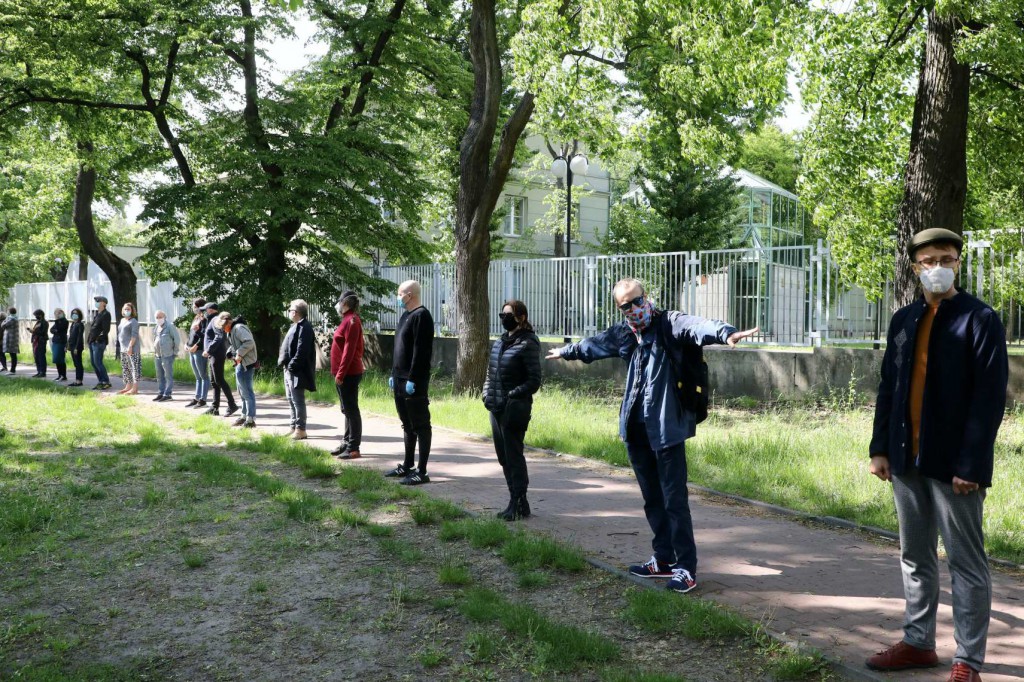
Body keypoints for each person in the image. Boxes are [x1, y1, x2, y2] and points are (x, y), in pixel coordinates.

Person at [548, 278, 756, 593]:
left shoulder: (669, 324)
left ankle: (686, 568)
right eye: (626, 306)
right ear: (620, 309)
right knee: (652, 499)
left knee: (675, 501)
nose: (633, 309)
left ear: (646, 298)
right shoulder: (624, 333)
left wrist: (726, 332)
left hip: (666, 430)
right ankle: (663, 559)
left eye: (637, 301)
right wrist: (567, 351)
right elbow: (596, 344)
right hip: (635, 430)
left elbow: (697, 327)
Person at [865, 229, 1007, 682]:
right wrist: (880, 448)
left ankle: (968, 660)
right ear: (916, 268)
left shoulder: (979, 319)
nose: (938, 267)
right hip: (905, 458)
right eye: (929, 260)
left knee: (966, 562)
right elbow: (889, 387)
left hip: (954, 465)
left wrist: (972, 465)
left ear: (958, 264)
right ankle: (918, 642)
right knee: (915, 555)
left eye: (947, 258)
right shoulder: (903, 319)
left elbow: (989, 399)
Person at [483, 299, 542, 521]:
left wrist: (512, 395)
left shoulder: (528, 343)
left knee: (514, 456)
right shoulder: (500, 342)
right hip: (495, 406)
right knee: (503, 457)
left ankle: (518, 500)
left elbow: (534, 380)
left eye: (509, 315)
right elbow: (490, 372)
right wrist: (486, 393)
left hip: (515, 408)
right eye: (502, 315)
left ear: (521, 317)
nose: (504, 319)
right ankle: (516, 502)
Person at [385, 280, 435, 485]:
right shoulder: (405, 315)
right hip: (399, 379)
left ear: (410, 294)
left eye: (400, 294)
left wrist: (413, 378)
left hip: (413, 381)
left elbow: (421, 352)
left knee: (420, 425)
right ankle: (407, 465)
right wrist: (393, 374)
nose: (398, 297)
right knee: (407, 424)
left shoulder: (422, 316)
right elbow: (400, 348)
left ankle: (422, 471)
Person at [330, 291, 365, 459]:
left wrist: (341, 373)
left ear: (345, 303)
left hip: (348, 374)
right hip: (343, 373)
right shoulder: (347, 320)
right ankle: (346, 442)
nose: (337, 305)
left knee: (352, 410)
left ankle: (353, 448)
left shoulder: (352, 321)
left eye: (339, 301)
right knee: (347, 410)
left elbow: (349, 350)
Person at [278, 299, 316, 440]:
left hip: (297, 371)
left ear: (295, 312)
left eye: (290, 310)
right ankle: (293, 427)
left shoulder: (305, 327)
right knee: (290, 399)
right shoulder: (296, 325)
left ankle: (301, 429)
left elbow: (302, 350)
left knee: (297, 400)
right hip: (289, 369)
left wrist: (292, 366)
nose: (289, 312)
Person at [202, 308, 239, 417]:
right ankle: (215, 407)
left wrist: (208, 350)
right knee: (214, 382)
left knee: (219, 380)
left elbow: (219, 337)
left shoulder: (216, 321)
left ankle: (232, 404)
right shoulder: (215, 321)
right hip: (214, 354)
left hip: (216, 354)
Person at [227, 315, 258, 428]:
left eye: (223, 326)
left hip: (246, 364)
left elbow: (249, 342)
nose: (222, 329)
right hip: (240, 363)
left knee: (247, 392)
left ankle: (250, 420)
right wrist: (230, 352)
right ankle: (244, 416)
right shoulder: (231, 330)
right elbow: (235, 345)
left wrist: (239, 354)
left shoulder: (238, 328)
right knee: (242, 392)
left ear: (228, 322)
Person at [185, 297, 210, 408]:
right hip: (191, 350)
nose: (193, 308)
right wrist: (187, 344)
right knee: (197, 376)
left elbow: (204, 336)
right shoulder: (195, 318)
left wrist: (196, 346)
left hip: (199, 350)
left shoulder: (204, 319)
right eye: (193, 306)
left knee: (203, 375)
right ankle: (197, 398)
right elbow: (191, 334)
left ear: (201, 307)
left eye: (195, 306)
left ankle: (203, 400)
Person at [152, 309, 180, 402]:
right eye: (157, 317)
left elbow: (176, 340)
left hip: (167, 355)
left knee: (168, 376)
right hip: (158, 355)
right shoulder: (156, 327)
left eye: (160, 317)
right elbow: (155, 339)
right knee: (159, 376)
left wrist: (175, 352)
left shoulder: (170, 326)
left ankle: (168, 394)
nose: (158, 319)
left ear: (164, 317)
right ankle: (161, 393)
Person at [88, 296, 113, 390]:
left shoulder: (106, 314)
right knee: (94, 363)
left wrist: (97, 339)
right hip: (92, 342)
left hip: (99, 342)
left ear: (104, 303)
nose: (96, 303)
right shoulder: (97, 314)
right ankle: (101, 381)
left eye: (98, 301)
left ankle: (106, 382)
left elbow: (106, 329)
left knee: (98, 362)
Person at [116, 302, 141, 395]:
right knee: (126, 368)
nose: (126, 311)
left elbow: (134, 335)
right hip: (123, 348)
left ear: (132, 310)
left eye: (128, 309)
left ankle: (135, 388)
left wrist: (130, 346)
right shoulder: (122, 320)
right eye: (125, 309)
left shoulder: (134, 321)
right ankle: (128, 386)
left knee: (134, 368)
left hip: (132, 348)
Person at [67, 308, 86, 386]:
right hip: (72, 346)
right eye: (73, 313)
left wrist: (76, 347)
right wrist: (67, 345)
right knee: (76, 363)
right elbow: (71, 336)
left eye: (76, 313)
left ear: (79, 315)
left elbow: (79, 337)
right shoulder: (73, 324)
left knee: (78, 364)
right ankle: (77, 380)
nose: (74, 315)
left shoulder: (80, 324)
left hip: (77, 347)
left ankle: (79, 380)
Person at [51, 308, 69, 382]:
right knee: (56, 359)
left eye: (59, 313)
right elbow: (51, 330)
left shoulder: (65, 321)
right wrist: (56, 331)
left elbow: (60, 329)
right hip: (55, 341)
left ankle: (63, 375)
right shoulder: (57, 322)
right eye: (56, 313)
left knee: (60, 359)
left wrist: (57, 320)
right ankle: (59, 375)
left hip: (61, 342)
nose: (58, 314)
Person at [30, 309, 49, 378]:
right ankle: (38, 371)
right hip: (35, 341)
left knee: (41, 357)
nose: (36, 317)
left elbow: (43, 332)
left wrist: (34, 331)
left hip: (41, 341)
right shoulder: (38, 322)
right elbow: (35, 331)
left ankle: (43, 372)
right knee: (36, 357)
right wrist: (32, 331)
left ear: (40, 315)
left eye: (36, 315)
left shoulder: (44, 322)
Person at [1, 308, 18, 374]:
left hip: (11, 339)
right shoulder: (14, 318)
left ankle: (12, 370)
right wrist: (6, 320)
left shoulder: (12, 319)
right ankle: (12, 370)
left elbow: (3, 325)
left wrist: (4, 320)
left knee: (13, 354)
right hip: (13, 339)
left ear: (9, 312)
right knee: (13, 354)